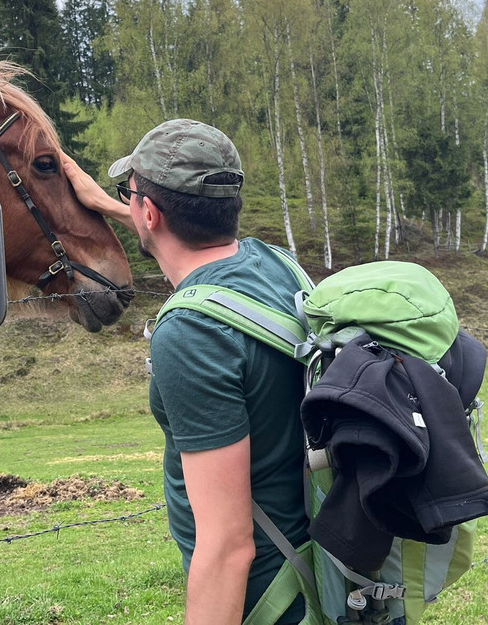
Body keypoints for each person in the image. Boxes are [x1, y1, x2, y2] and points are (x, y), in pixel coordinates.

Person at [62, 119, 309, 625]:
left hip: (270, 602)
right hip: (325, 578)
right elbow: (186, 235)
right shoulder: (275, 264)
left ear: (150, 213)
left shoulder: (193, 333)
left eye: (130, 195)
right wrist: (113, 204)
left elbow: (228, 546)